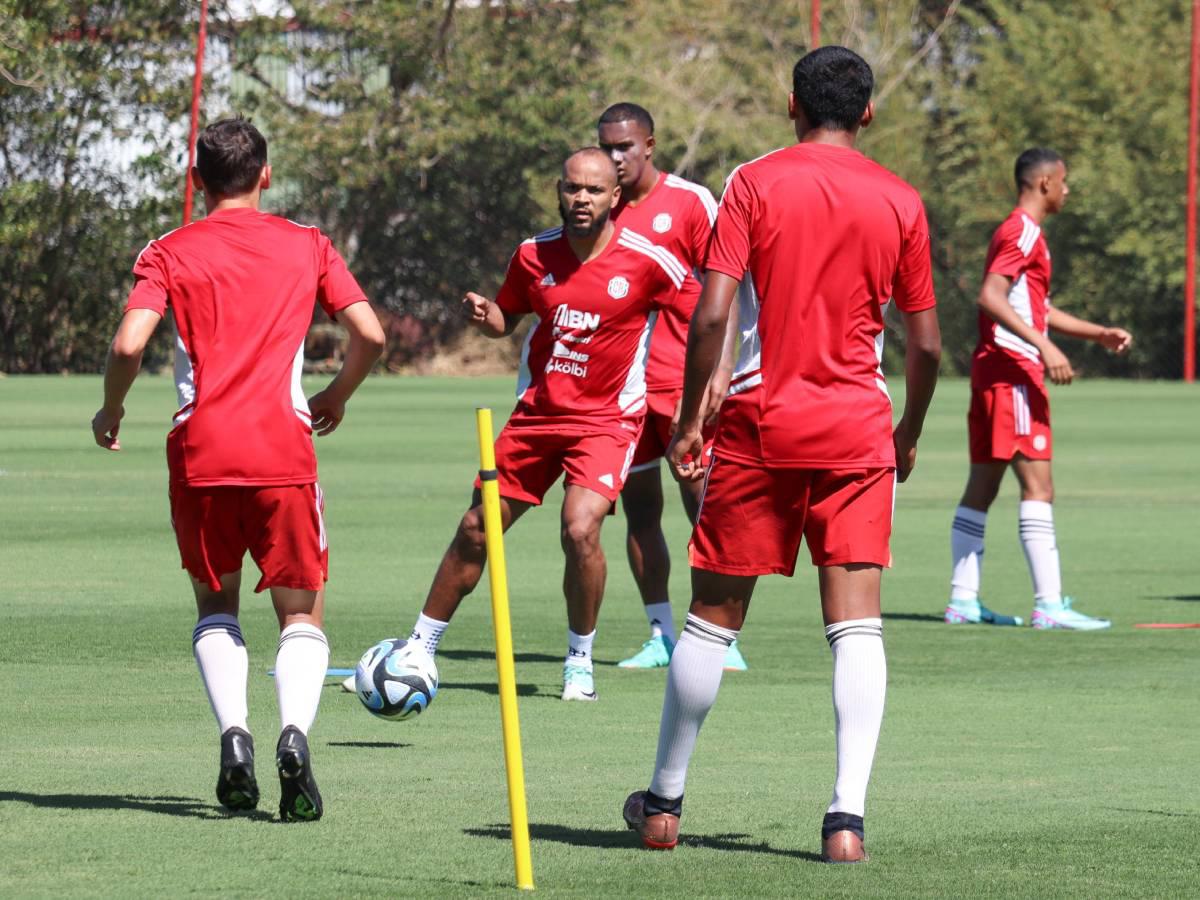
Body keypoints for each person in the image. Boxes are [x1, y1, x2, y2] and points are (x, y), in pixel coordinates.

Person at [621, 46, 942, 863]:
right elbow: (929, 344)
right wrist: (908, 429)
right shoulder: (902, 198)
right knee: (857, 626)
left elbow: (710, 313)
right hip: (857, 427)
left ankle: (663, 802)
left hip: (763, 422)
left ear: (789, 104)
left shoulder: (754, 182)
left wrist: (693, 420)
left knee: (712, 618)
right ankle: (845, 821)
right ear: (867, 112)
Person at [91, 117, 385, 822]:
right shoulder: (307, 244)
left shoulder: (167, 250)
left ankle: (234, 737)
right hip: (283, 449)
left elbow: (131, 341)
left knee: (216, 606)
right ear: (266, 174)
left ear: (196, 181)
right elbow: (370, 334)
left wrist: (111, 408)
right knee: (302, 612)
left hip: (201, 453)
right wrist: (335, 396)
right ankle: (293, 735)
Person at [394, 147, 690, 702]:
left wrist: (709, 386)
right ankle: (419, 646)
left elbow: (704, 317)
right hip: (537, 415)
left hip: (607, 421)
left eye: (595, 191)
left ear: (615, 198)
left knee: (580, 528)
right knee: (475, 527)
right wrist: (490, 318)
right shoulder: (533, 254)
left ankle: (579, 660)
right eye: (573, 188)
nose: (582, 199)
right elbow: (509, 317)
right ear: (559, 190)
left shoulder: (647, 259)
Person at [944, 148, 1132, 629]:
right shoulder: (1023, 231)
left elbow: (1034, 308)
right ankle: (1049, 605)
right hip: (1014, 374)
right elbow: (991, 296)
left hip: (994, 370)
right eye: (1064, 181)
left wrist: (1096, 333)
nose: (1067, 190)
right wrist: (1044, 349)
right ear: (1045, 183)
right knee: (1038, 486)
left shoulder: (1023, 234)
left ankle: (962, 600)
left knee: (982, 486)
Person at [597, 102, 747, 672]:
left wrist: (721, 370)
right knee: (640, 509)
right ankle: (661, 633)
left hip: (686, 384)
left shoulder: (690, 202)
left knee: (705, 506)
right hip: (623, 388)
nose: (614, 158)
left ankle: (720, 637)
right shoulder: (597, 207)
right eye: (606, 147)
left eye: (624, 148)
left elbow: (727, 284)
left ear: (650, 145)